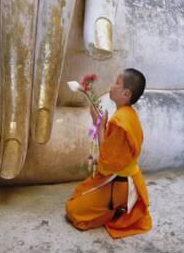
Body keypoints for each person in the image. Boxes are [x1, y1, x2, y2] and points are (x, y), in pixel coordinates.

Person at [65, 68, 152, 238]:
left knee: (73, 211)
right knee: (79, 192)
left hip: (119, 185)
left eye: (117, 83)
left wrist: (98, 127)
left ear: (126, 94)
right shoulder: (127, 114)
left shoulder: (120, 122)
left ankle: (119, 210)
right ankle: (116, 206)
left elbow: (106, 164)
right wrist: (101, 125)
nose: (112, 86)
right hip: (124, 178)